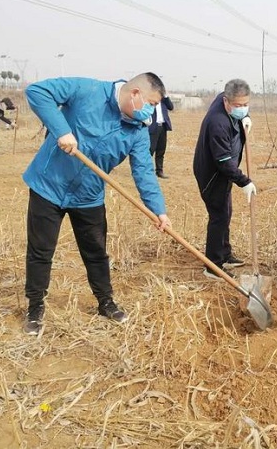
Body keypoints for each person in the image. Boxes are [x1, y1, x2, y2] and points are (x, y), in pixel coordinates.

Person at [22, 72, 171, 335]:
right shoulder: (87, 90)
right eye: (150, 102)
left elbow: (145, 173)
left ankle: (105, 302)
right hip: (48, 186)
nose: (150, 110)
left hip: (88, 196)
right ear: (135, 93)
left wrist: (158, 209)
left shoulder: (137, 131)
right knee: (41, 252)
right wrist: (62, 130)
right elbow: (37, 92)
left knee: (96, 253)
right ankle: (35, 307)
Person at [193, 79, 255, 280]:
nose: (242, 109)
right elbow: (223, 161)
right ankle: (213, 265)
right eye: (238, 106)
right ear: (226, 101)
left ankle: (225, 254)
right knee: (219, 216)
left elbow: (241, 110)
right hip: (213, 175)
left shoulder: (225, 100)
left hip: (224, 172)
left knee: (226, 212)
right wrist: (244, 181)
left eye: (246, 105)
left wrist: (244, 118)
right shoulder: (218, 123)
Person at [149, 94, 174, 179]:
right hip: (153, 127)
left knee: (161, 150)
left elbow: (171, 107)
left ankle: (159, 171)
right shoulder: (150, 99)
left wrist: (166, 97)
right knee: (150, 150)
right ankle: (147, 170)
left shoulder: (164, 100)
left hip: (163, 127)